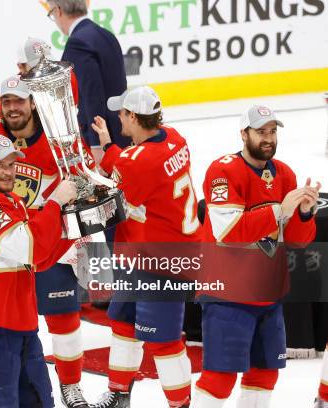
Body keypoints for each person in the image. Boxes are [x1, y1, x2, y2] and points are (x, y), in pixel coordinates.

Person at [0, 76, 98, 407]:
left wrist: (75, 226)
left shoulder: (10, 201)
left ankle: (72, 386)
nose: (9, 171)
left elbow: (38, 258)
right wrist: (55, 203)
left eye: (12, 164)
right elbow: (28, 247)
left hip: (17, 324)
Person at [191, 106, 319, 407]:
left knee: (264, 375)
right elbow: (229, 233)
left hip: (268, 296)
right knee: (219, 379)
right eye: (261, 131)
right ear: (243, 134)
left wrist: (303, 214)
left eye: (273, 131)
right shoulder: (222, 171)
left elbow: (298, 243)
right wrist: (279, 211)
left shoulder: (284, 173)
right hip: (228, 296)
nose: (268, 138)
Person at [91, 86, 201, 407]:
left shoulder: (137, 161)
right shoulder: (174, 137)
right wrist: (111, 145)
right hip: (148, 252)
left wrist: (103, 154)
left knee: (164, 342)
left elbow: (121, 180)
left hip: (161, 261)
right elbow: (134, 165)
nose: (118, 117)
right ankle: (119, 393)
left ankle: (180, 404)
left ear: (135, 117)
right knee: (123, 322)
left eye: (123, 113)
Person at [46, 0, 127, 162]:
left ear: (59, 10)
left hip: (106, 138)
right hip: (122, 128)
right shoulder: (106, 34)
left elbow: (91, 94)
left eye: (51, 13)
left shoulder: (77, 43)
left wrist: (98, 144)